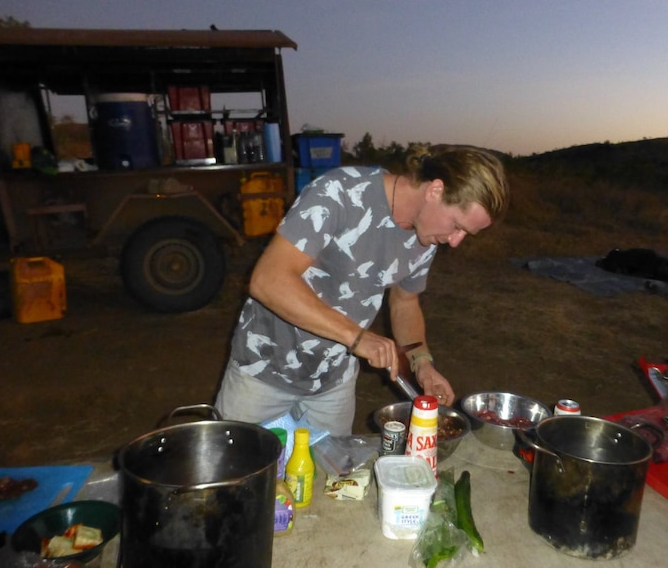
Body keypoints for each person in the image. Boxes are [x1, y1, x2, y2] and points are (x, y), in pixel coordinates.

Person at [215, 144, 509, 435]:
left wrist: (422, 362)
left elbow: (404, 302)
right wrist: (357, 338)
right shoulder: (339, 193)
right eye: (457, 226)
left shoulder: (427, 235)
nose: (455, 241)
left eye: (465, 234)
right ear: (435, 190)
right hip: (263, 371)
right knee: (240, 477)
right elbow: (268, 280)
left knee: (332, 480)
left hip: (334, 381)